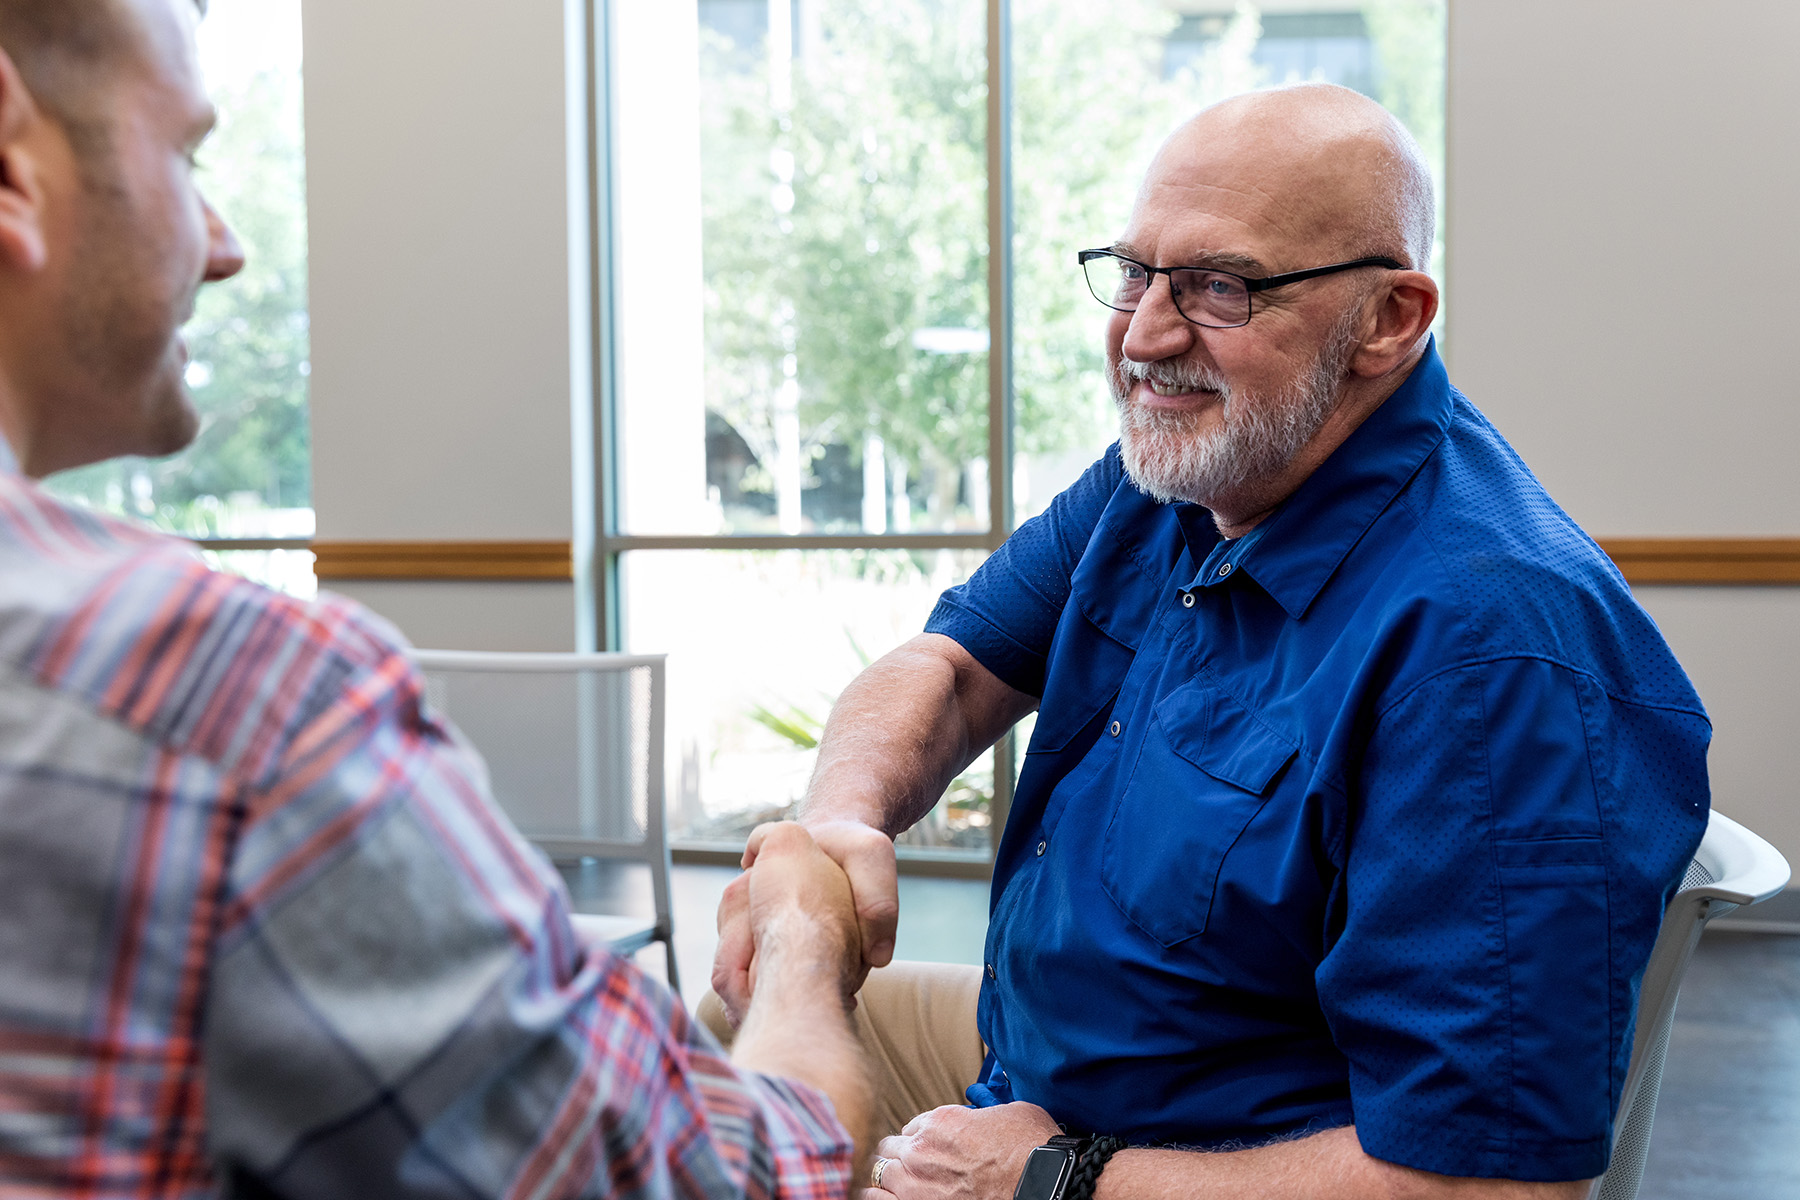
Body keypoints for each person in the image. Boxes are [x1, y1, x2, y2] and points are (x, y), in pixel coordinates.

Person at [710, 84, 1710, 1199]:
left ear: (1390, 319)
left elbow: (1483, 1187)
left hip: (1166, 1163)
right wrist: (842, 821)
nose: (1142, 335)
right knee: (704, 1035)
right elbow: (947, 673)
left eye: (1219, 287)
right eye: (1135, 273)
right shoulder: (1186, 475)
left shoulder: (1492, 657)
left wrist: (1056, 1179)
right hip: (1032, 1072)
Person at [0, 0, 872, 1195]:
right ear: (10, 149)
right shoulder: (217, 703)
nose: (222, 242)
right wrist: (801, 945)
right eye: (187, 155)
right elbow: (737, 1179)